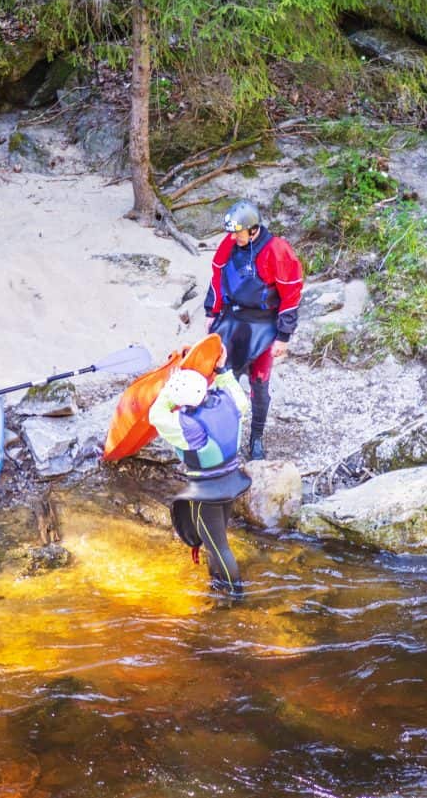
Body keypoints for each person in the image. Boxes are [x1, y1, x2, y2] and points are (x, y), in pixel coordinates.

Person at [204, 199, 304, 461]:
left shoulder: (277, 250)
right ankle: (226, 438)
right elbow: (217, 278)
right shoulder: (230, 245)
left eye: (238, 233)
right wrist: (211, 312)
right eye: (232, 233)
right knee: (225, 380)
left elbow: (291, 294)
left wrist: (283, 335)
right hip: (232, 320)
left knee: (259, 383)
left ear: (253, 229)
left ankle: (256, 438)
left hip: (263, 324)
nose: (233, 237)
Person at [148, 359, 252, 598]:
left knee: (219, 547)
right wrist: (222, 368)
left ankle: (236, 597)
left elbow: (156, 415)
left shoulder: (187, 426)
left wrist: (166, 391)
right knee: (216, 542)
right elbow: (234, 388)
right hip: (232, 481)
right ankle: (217, 588)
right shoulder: (229, 401)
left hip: (207, 492)